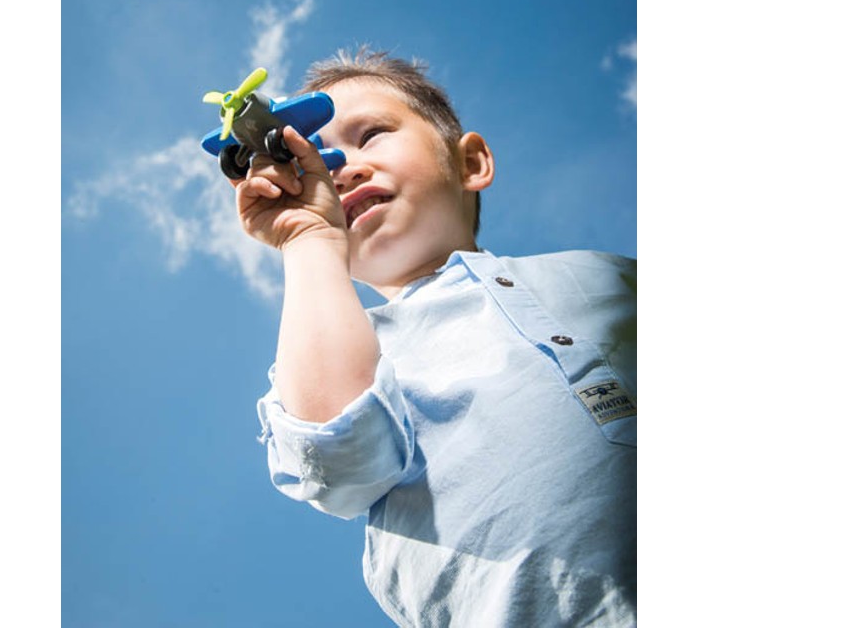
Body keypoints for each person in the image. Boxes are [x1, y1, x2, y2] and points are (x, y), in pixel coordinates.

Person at [233, 49, 636, 627]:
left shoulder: (605, 273)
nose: (341, 168)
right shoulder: (351, 352)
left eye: (370, 134)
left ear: (469, 161)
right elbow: (339, 459)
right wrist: (310, 239)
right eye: (317, 160)